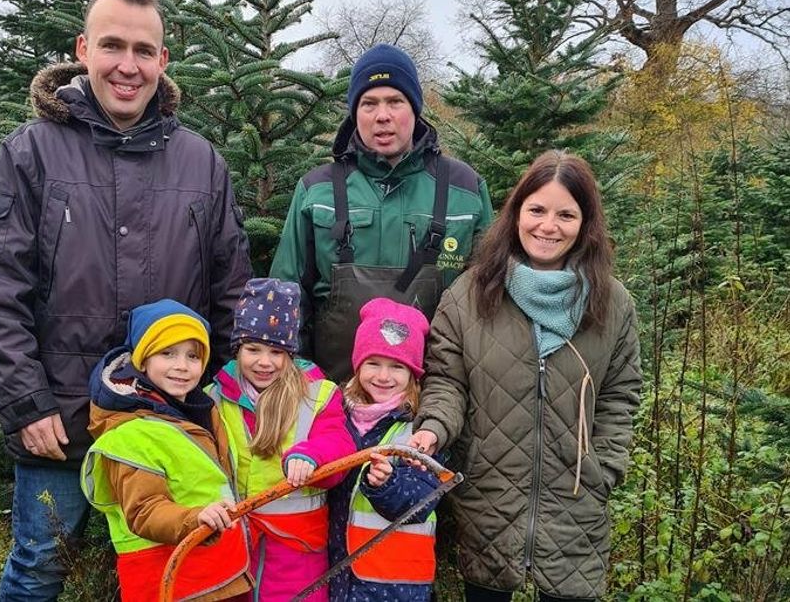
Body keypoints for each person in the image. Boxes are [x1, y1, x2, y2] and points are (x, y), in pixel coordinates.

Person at [0, 0, 251, 600]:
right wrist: (26, 403)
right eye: (113, 46)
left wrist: (231, 399)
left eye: (143, 50)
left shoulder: (201, 162)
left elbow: (231, 290)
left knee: (179, 565)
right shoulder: (32, 152)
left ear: (163, 61)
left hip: (170, 420)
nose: (128, 66)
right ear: (84, 49)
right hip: (59, 417)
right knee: (40, 562)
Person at [409, 151, 642, 602]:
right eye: (536, 209)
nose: (548, 226)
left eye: (565, 214)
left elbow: (619, 394)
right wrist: (433, 430)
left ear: (585, 223)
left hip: (577, 504)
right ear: (516, 213)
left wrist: (605, 467)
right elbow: (446, 382)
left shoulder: (613, 305)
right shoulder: (470, 295)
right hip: (490, 503)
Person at [270, 43, 494, 382]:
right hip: (329, 396)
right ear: (354, 113)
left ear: (415, 109)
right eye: (369, 103)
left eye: (395, 101)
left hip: (434, 401)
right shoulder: (317, 191)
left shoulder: (465, 191)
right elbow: (287, 296)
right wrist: (300, 385)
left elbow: (487, 303)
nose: (382, 116)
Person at [81, 300, 251, 601]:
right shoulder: (131, 432)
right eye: (167, 353)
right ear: (142, 360)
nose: (182, 366)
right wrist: (195, 519)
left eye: (193, 356)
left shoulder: (202, 409)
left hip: (222, 574)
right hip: (172, 584)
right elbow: (144, 510)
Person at [206, 277, 355, 601]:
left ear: (290, 352)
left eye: (276, 351)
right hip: (234, 544)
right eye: (253, 349)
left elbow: (340, 444)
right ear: (237, 348)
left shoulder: (316, 394)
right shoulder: (214, 398)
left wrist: (311, 455)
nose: (264, 361)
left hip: (297, 550)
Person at [327, 297, 440, 602]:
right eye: (373, 363)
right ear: (357, 364)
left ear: (413, 373)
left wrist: (387, 484)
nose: (383, 376)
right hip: (338, 572)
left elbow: (422, 500)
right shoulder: (335, 413)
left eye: (396, 367)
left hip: (394, 583)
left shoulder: (420, 428)